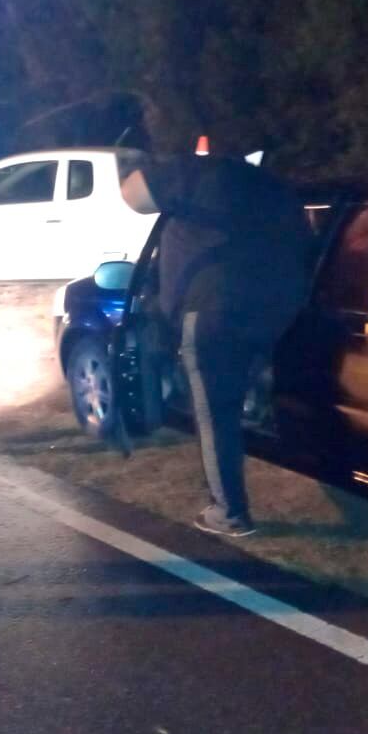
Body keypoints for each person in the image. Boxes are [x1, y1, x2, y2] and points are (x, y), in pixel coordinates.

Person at [117, 153, 312, 537]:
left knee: (213, 415)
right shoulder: (275, 187)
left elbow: (134, 195)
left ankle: (229, 512)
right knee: (239, 385)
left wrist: (148, 171)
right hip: (277, 311)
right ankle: (251, 403)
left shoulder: (197, 171)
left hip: (213, 316)